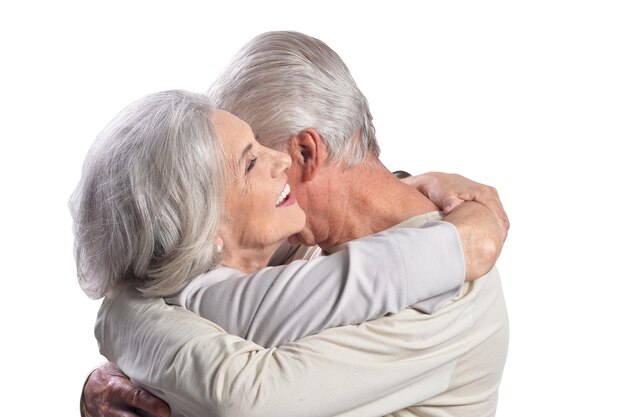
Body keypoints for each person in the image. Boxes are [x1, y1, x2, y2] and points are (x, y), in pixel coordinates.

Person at [82, 32, 509, 417]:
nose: (278, 164)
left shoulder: (447, 292)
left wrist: (120, 320)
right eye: (251, 161)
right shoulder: (291, 240)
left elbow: (245, 398)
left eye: (261, 151)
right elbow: (169, 271)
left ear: (306, 152)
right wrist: (102, 379)